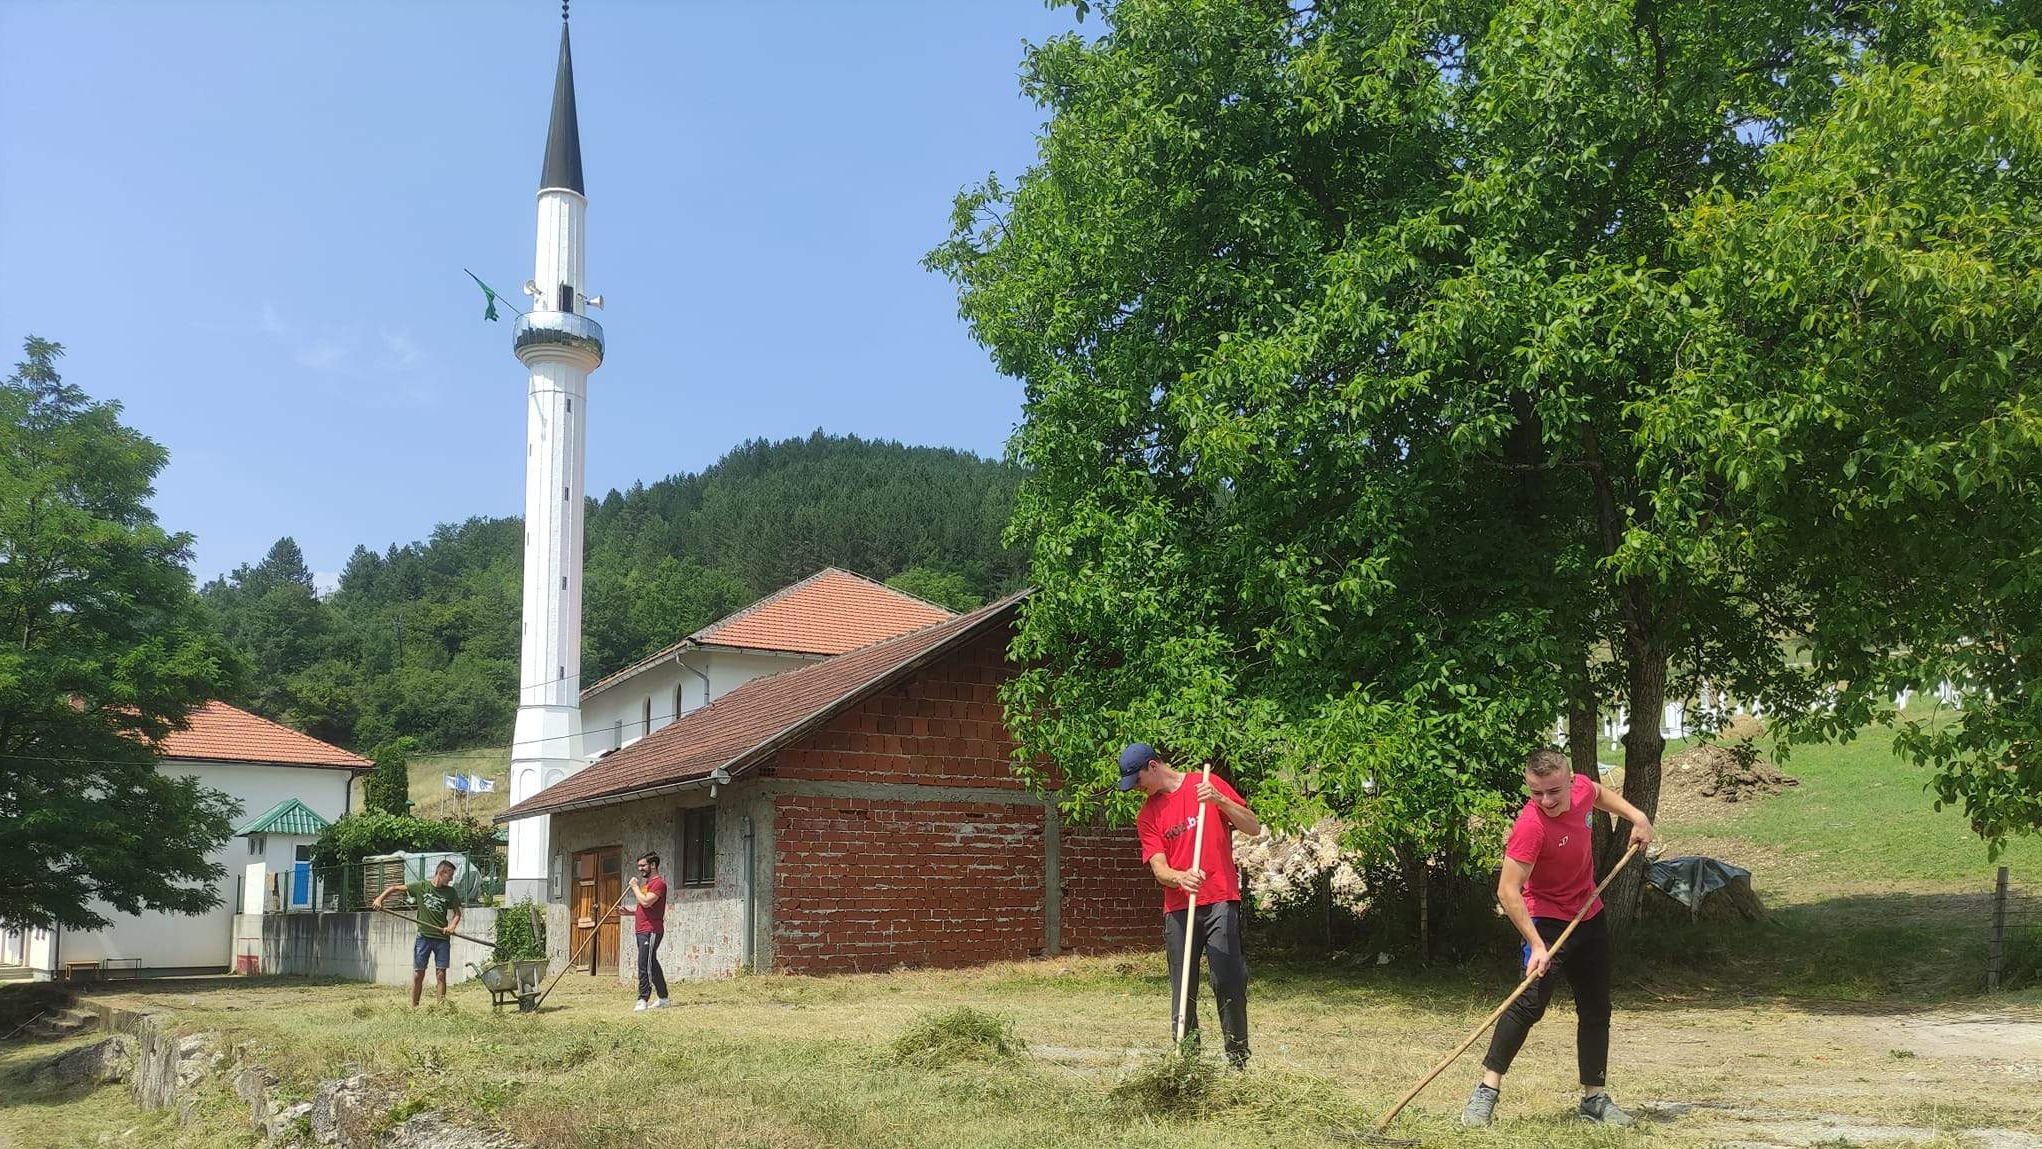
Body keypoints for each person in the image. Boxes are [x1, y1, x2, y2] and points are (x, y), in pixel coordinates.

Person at [1462, 748, 1655, 1128]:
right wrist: (1536, 945)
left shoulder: (1581, 789)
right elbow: (1507, 892)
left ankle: (1594, 1099)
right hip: (1545, 920)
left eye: (1553, 791)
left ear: (1568, 781)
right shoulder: (1530, 827)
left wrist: (1637, 816)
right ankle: (1486, 1091)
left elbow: (1598, 793)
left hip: (1588, 913)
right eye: (1537, 793)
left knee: (1596, 1007)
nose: (1546, 801)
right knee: (1528, 1003)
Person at [1121, 742, 1262, 1068]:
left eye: (1138, 780)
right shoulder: (1148, 816)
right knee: (1183, 989)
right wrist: (1180, 877)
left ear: (1153, 767)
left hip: (1220, 901)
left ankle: (1238, 1060)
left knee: (1227, 981)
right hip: (1179, 911)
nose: (1137, 789)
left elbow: (1253, 828)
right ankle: (1187, 1065)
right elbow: (1159, 869)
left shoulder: (1205, 785)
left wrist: (1220, 800)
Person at [372, 859, 464, 1008]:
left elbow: (457, 914)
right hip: (424, 937)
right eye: (450, 875)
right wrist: (380, 899)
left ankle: (441, 1008)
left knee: (441, 974)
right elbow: (394, 888)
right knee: (418, 974)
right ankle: (414, 1007)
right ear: (442, 872)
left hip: (442, 938)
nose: (451, 879)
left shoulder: (450, 892)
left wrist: (452, 926)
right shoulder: (421, 886)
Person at [623, 851, 669, 1011]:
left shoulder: (658, 884)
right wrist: (629, 912)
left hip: (651, 930)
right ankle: (663, 998)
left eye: (643, 865)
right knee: (652, 964)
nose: (640, 869)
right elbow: (644, 907)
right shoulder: (646, 885)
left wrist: (634, 886)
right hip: (641, 929)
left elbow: (646, 902)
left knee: (644, 964)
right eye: (639, 866)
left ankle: (643, 999)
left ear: (653, 865)